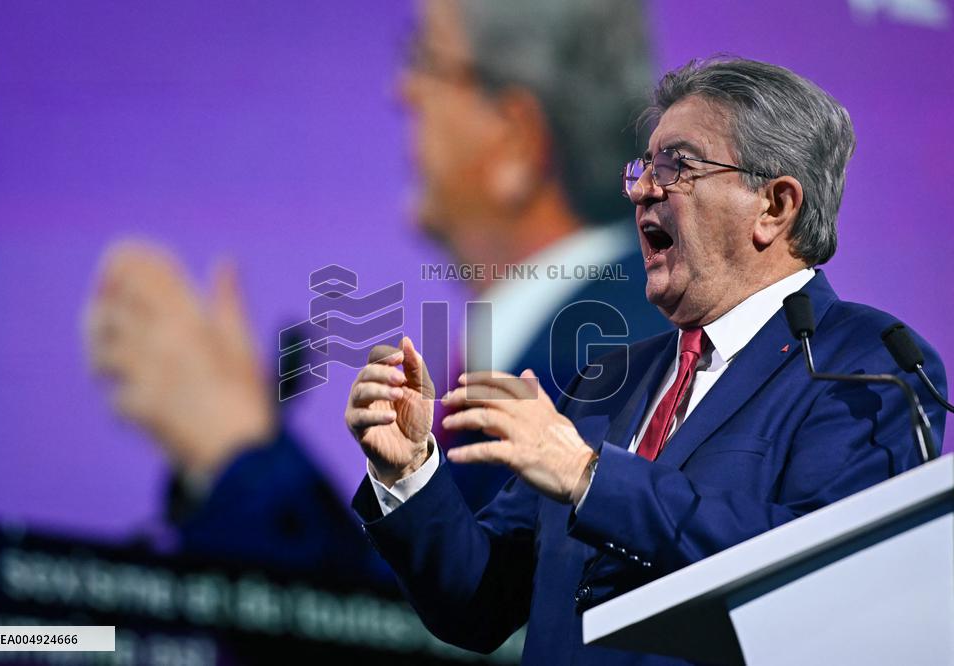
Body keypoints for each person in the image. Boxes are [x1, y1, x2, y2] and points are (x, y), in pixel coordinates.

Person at [345, 57, 948, 664]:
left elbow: (826, 578)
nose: (640, 191)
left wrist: (589, 477)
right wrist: (408, 472)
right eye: (642, 169)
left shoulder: (864, 366)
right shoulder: (605, 380)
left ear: (774, 205)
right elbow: (477, 603)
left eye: (677, 167)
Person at [84, 0, 667, 574]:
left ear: (515, 142)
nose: (402, 91)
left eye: (427, 61)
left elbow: (442, 613)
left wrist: (235, 456)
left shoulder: (604, 364)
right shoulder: (610, 334)